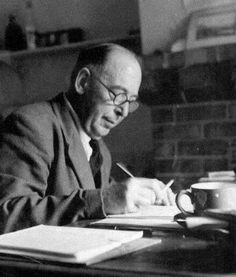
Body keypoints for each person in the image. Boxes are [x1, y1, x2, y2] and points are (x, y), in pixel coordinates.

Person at [0, 43, 175, 234]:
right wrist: (105, 200)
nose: (123, 111)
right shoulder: (32, 124)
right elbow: (7, 214)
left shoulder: (100, 149)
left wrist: (145, 196)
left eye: (130, 101)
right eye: (118, 95)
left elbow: (107, 201)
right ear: (83, 82)